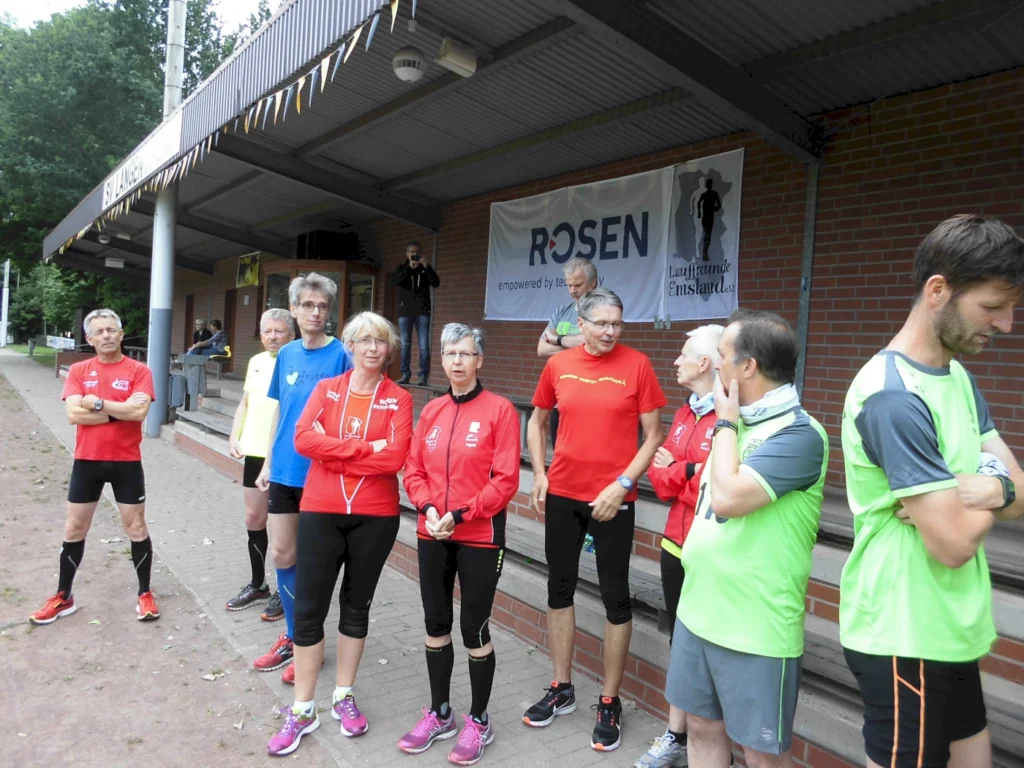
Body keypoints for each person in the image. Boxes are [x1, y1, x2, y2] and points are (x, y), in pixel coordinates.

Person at [839, 214, 1024, 768]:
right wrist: (997, 483)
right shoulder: (892, 397)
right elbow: (952, 544)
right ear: (938, 290)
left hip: (951, 624)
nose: (1008, 324)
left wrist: (979, 488)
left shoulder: (958, 378)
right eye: (993, 307)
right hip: (903, 629)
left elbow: (1022, 491)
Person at [665, 309, 827, 768]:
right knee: (699, 727)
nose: (715, 365)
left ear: (748, 367)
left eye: (722, 356)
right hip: (698, 611)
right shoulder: (734, 422)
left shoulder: (799, 433)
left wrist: (726, 423)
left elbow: (730, 498)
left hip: (755, 629)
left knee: (759, 755)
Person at [523, 288, 666, 752]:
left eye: (617, 324)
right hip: (564, 494)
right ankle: (561, 687)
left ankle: (610, 700)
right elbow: (537, 420)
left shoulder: (637, 365)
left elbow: (653, 436)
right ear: (579, 324)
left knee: (615, 597)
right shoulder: (558, 365)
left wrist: (623, 485)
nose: (610, 332)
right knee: (559, 589)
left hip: (613, 499)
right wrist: (540, 474)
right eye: (601, 323)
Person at [266, 311, 412, 757]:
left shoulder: (399, 399)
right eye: (363, 340)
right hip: (321, 511)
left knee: (356, 606)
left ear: (389, 350)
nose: (372, 348)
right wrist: (366, 449)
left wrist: (339, 453)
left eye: (380, 341)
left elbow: (396, 459)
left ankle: (342, 696)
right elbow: (303, 440)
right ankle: (303, 708)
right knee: (309, 609)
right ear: (348, 346)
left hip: (376, 516)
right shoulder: (326, 390)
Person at [398, 323, 521, 765]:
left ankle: (479, 720)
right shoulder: (431, 411)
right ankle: (440, 712)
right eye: (450, 353)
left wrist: (461, 514)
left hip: (480, 536)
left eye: (465, 354)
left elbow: (506, 480)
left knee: (474, 627)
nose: (456, 361)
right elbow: (413, 469)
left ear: (479, 361)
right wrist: (429, 509)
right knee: (435, 622)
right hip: (432, 531)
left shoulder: (501, 410)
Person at [252, 273, 353, 684]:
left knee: (313, 563)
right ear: (293, 309)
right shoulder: (287, 354)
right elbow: (281, 410)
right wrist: (267, 462)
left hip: (323, 476)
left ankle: (309, 643)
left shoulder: (342, 356)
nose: (315, 312)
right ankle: (293, 635)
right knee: (281, 554)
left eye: (322, 306)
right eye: (307, 305)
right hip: (284, 473)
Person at [30, 309, 159, 625]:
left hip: (126, 461)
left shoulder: (139, 370)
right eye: (99, 331)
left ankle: (144, 593)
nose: (106, 336)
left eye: (111, 330)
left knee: (136, 527)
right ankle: (64, 597)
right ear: (89, 338)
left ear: (121, 333)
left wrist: (97, 403)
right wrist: (120, 412)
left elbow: (139, 411)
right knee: (75, 527)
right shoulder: (78, 370)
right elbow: (74, 414)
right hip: (87, 461)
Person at [633, 323, 724, 768]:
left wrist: (684, 470)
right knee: (681, 646)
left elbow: (718, 486)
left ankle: (715, 747)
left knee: (710, 649)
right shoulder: (686, 411)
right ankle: (676, 737)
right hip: (675, 545)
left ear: (705, 363)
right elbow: (660, 478)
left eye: (683, 354)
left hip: (711, 549)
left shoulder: (731, 417)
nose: (675, 361)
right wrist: (690, 472)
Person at [225, 308, 294, 619]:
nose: (273, 336)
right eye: (268, 331)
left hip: (284, 455)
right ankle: (258, 584)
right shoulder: (255, 362)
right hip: (253, 452)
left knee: (285, 529)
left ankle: (284, 591)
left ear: (291, 334)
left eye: (280, 331)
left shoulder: (295, 360)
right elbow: (246, 402)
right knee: (254, 518)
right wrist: (233, 434)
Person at [537, 258, 599, 447]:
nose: (573, 290)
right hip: (561, 398)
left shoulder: (602, 312)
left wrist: (558, 339)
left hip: (592, 400)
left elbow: (592, 343)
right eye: (569, 285)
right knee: (560, 454)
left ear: (593, 282)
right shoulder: (562, 312)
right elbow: (541, 348)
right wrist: (574, 347)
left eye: (578, 285)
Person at [391, 240, 440, 385]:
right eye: (412, 252)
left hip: (422, 311)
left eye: (417, 252)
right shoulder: (401, 268)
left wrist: (427, 267)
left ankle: (423, 375)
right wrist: (409, 268)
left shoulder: (425, 269)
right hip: (405, 311)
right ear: (407, 254)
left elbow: (436, 283)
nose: (415, 255)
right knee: (405, 344)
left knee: (424, 344)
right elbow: (395, 281)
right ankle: (405, 374)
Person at [697, 179, 722, 262]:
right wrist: (699, 213)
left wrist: (712, 209)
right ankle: (704, 250)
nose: (708, 185)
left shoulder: (714, 194)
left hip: (710, 216)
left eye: (709, 184)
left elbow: (719, 205)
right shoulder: (704, 194)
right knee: (706, 233)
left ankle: (705, 250)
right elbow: (698, 202)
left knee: (708, 234)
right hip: (705, 216)